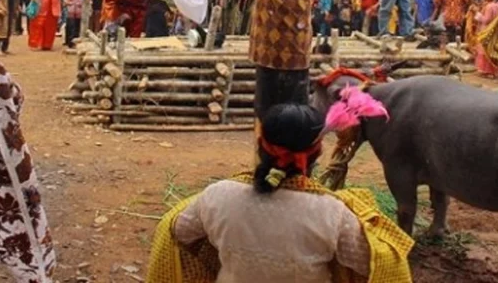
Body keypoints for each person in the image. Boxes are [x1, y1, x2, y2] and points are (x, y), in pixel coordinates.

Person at [147, 103, 413, 282]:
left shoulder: (217, 196)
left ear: (261, 143)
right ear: (316, 153)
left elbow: (179, 231)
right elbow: (374, 265)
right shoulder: (333, 213)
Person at [474, 0, 498, 78]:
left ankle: (486, 70)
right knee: (491, 51)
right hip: (495, 31)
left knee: (484, 51)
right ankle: (493, 70)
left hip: (486, 30)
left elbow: (486, 20)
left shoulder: (490, 6)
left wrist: (478, 14)